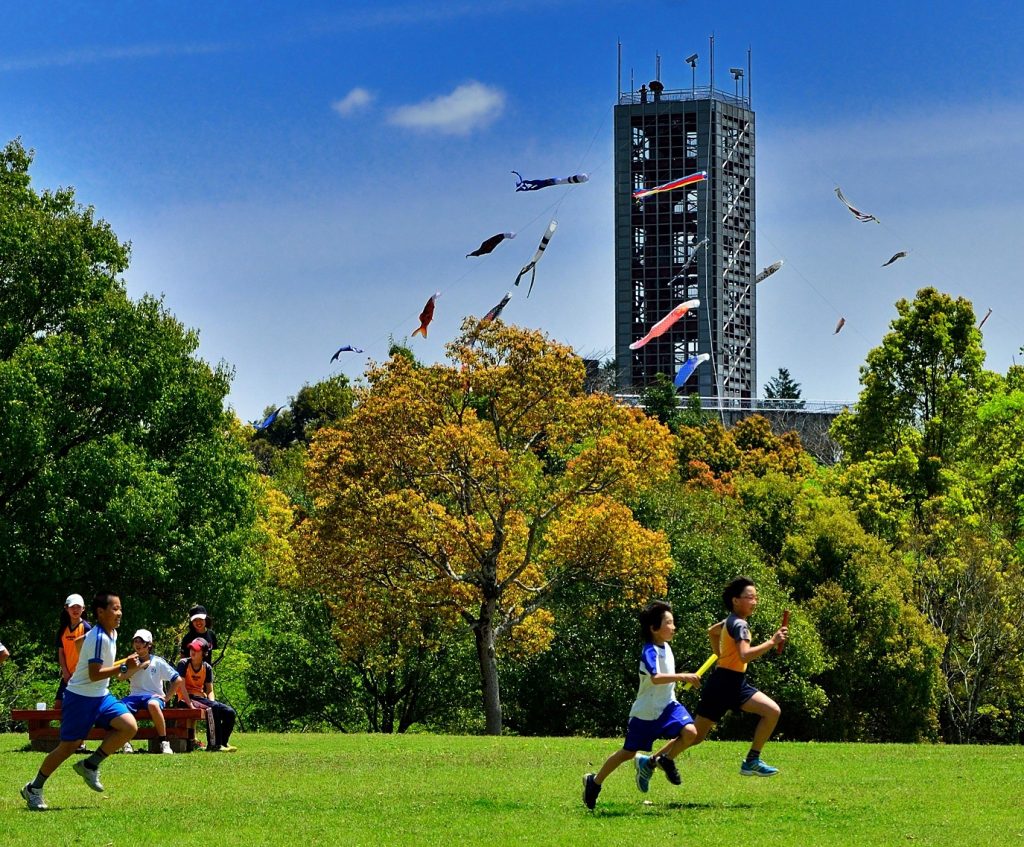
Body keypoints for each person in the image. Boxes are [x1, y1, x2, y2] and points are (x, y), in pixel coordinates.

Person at [650, 576, 788, 777]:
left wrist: (720, 655)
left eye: (755, 598)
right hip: (726, 683)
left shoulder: (730, 621)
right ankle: (751, 761)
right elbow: (744, 654)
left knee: (697, 735)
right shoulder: (740, 625)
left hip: (729, 681)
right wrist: (772, 641)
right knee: (697, 734)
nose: (754, 602)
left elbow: (712, 632)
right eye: (750, 597)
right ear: (735, 600)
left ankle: (651, 761)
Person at [21, 591, 141, 811]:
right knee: (69, 746)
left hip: (101, 696)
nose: (120, 613)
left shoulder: (110, 632)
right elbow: (95, 673)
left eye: (120, 608)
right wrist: (124, 666)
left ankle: (90, 764)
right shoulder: (99, 637)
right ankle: (33, 788)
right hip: (80, 697)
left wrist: (123, 662)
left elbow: (78, 643)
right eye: (115, 609)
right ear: (100, 612)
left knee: (129, 726)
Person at [582, 600, 702, 810]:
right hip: (646, 712)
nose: (674, 627)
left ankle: (661, 761)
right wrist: (683, 676)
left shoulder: (667, 647)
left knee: (691, 732)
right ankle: (595, 782)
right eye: (669, 623)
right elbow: (656, 677)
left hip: (669, 706)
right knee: (628, 752)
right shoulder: (649, 651)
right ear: (654, 628)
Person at [120, 629, 193, 754]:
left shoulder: (158, 662)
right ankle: (125, 742)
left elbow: (177, 679)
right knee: (119, 707)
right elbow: (121, 677)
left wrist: (167, 698)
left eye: (141, 641)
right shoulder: (130, 661)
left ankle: (164, 742)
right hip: (134, 696)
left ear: (149, 645)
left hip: (154, 696)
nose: (137, 644)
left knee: (153, 704)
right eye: (135, 641)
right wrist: (138, 666)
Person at [176, 638, 237, 752]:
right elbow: (181, 687)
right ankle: (214, 745)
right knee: (213, 708)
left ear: (204, 653)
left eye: (197, 650)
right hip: (186, 698)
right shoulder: (183, 663)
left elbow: (209, 690)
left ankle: (223, 742)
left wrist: (212, 702)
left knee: (230, 712)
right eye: (191, 649)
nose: (192, 651)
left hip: (201, 699)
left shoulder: (207, 667)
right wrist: (190, 705)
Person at [56, 593, 92, 705]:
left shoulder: (86, 628)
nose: (75, 610)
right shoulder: (62, 629)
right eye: (72, 607)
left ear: (83, 608)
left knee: (79, 705)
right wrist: (65, 672)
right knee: (58, 705)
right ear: (66, 608)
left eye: (78, 607)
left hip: (82, 675)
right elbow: (61, 652)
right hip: (68, 675)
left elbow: (90, 653)